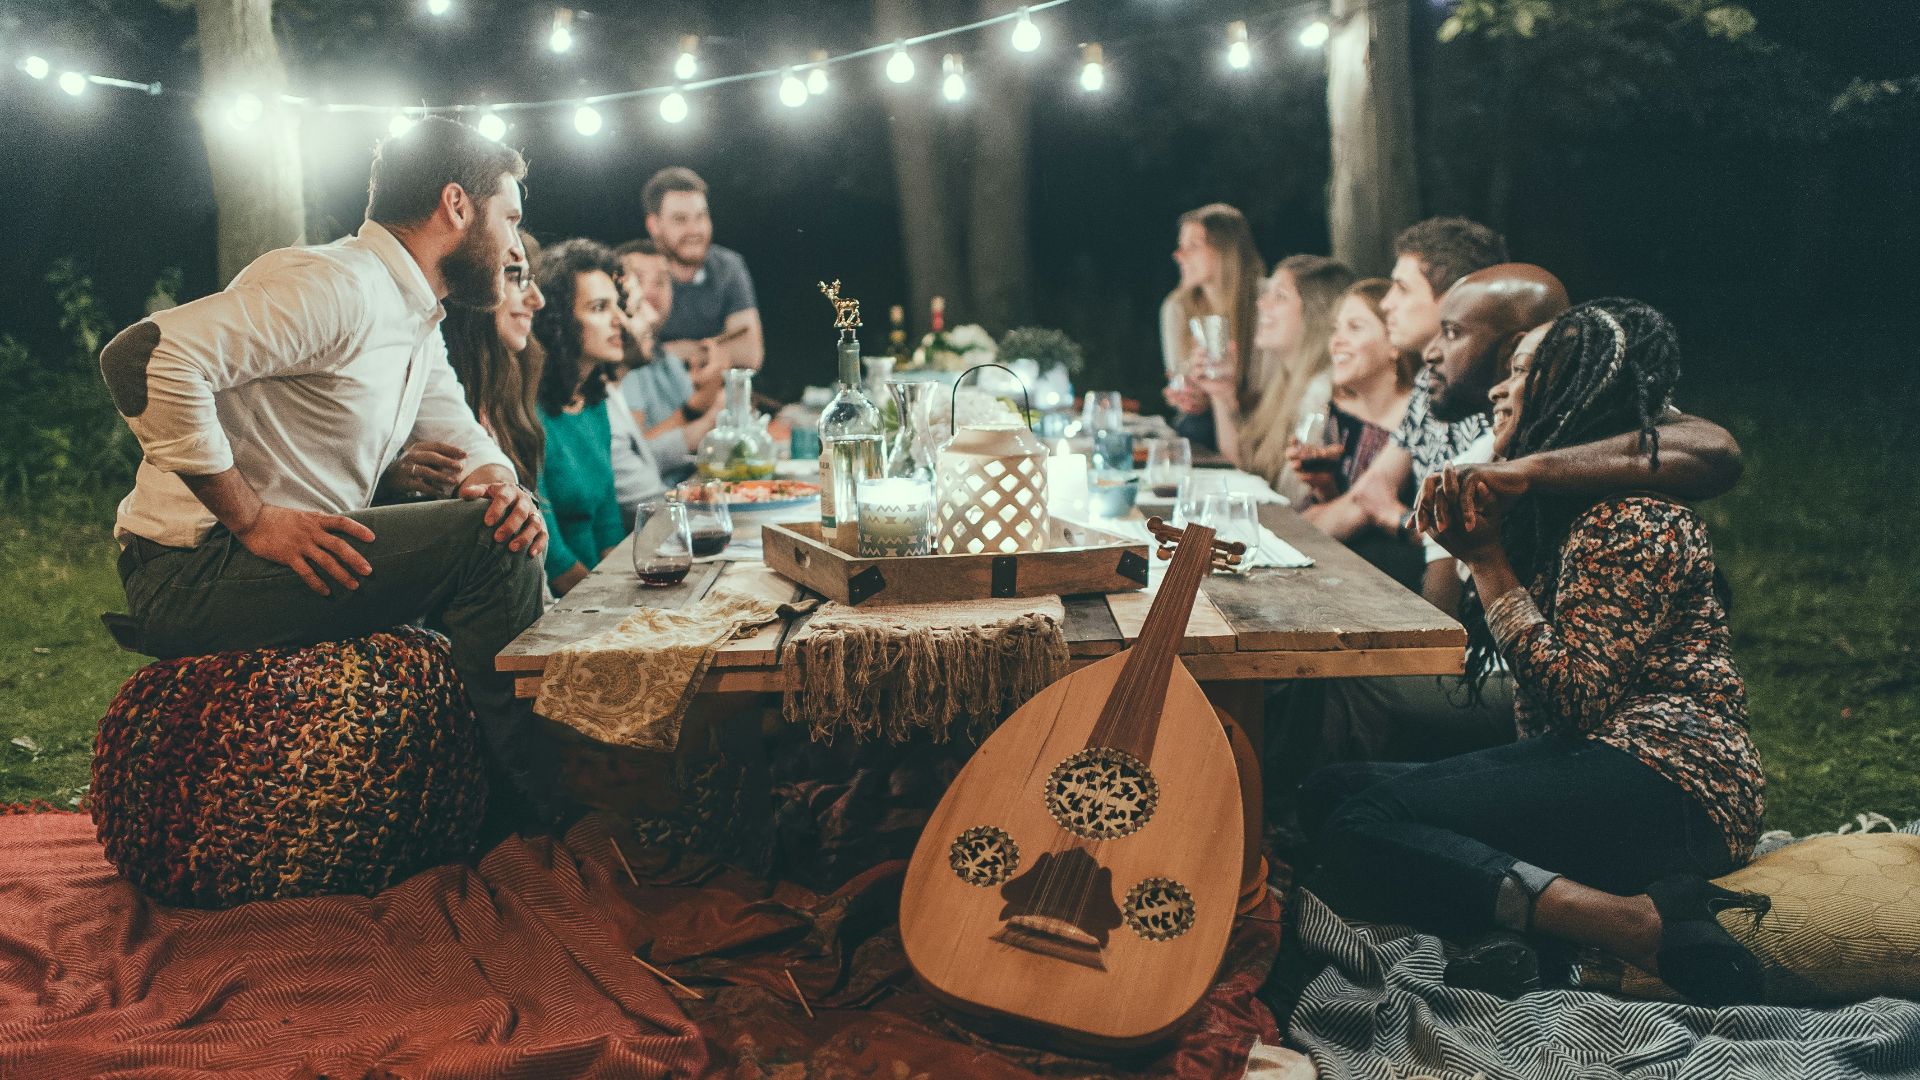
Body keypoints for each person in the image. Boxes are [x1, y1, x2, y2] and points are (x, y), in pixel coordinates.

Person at [1301, 298, 1768, 1007]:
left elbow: (1578, 697)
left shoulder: (1631, 517)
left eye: (1519, 372)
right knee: (1330, 793)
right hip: (1599, 760)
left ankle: (1633, 925)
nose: (1496, 387)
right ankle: (1520, 935)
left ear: (1566, 393)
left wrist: (1487, 562)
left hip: (1675, 786)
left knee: (1364, 825)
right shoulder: (1565, 509)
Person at [97, 117, 554, 817]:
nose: (515, 244)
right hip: (193, 570)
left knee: (502, 520)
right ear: (457, 205)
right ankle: (534, 803)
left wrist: (499, 487)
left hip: (281, 561)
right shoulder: (338, 286)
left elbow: (461, 433)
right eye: (510, 218)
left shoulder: (412, 315)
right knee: (493, 548)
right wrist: (250, 517)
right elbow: (145, 358)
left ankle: (485, 779)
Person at [1309, 217, 1508, 542]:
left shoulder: (1489, 397)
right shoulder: (1427, 382)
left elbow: (1470, 541)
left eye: (1401, 288)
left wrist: (1396, 517)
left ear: (1454, 297)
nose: (1387, 305)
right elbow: (1368, 494)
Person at [381, 234, 546, 499]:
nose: (538, 300)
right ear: (473, 285)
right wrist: (383, 484)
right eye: (516, 278)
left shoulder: (510, 388)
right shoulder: (418, 387)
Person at [1294, 279, 1421, 587]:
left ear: (1394, 344)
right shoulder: (1338, 409)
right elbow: (1344, 506)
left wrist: (1285, 527)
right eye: (1336, 328)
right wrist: (1325, 486)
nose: (1336, 341)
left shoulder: (1418, 415)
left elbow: (1357, 513)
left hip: (1397, 578)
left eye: (1354, 327)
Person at [1196, 255, 1355, 501]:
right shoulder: (1285, 381)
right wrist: (1221, 392)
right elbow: (1243, 471)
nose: (1261, 303)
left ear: (1316, 313)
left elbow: (1289, 502)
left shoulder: (1322, 392)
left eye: (1279, 296)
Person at [1160, 203, 1264, 451]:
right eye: (1180, 245)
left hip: (1259, 421)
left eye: (1193, 246)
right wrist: (1188, 394)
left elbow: (1273, 390)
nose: (1179, 255)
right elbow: (1179, 377)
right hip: (1207, 424)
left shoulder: (1265, 302)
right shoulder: (1177, 307)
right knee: (1194, 426)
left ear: (1226, 251)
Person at [644, 167, 764, 378]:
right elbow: (625, 357)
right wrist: (715, 350)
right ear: (654, 225)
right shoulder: (637, 269)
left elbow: (750, 354)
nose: (694, 230)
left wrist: (678, 351)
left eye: (701, 216)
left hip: (713, 397)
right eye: (680, 219)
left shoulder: (728, 266)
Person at [616, 237, 718, 447]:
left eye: (661, 281)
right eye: (638, 279)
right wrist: (699, 411)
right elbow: (632, 457)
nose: (650, 292)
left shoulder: (665, 358)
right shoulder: (621, 361)